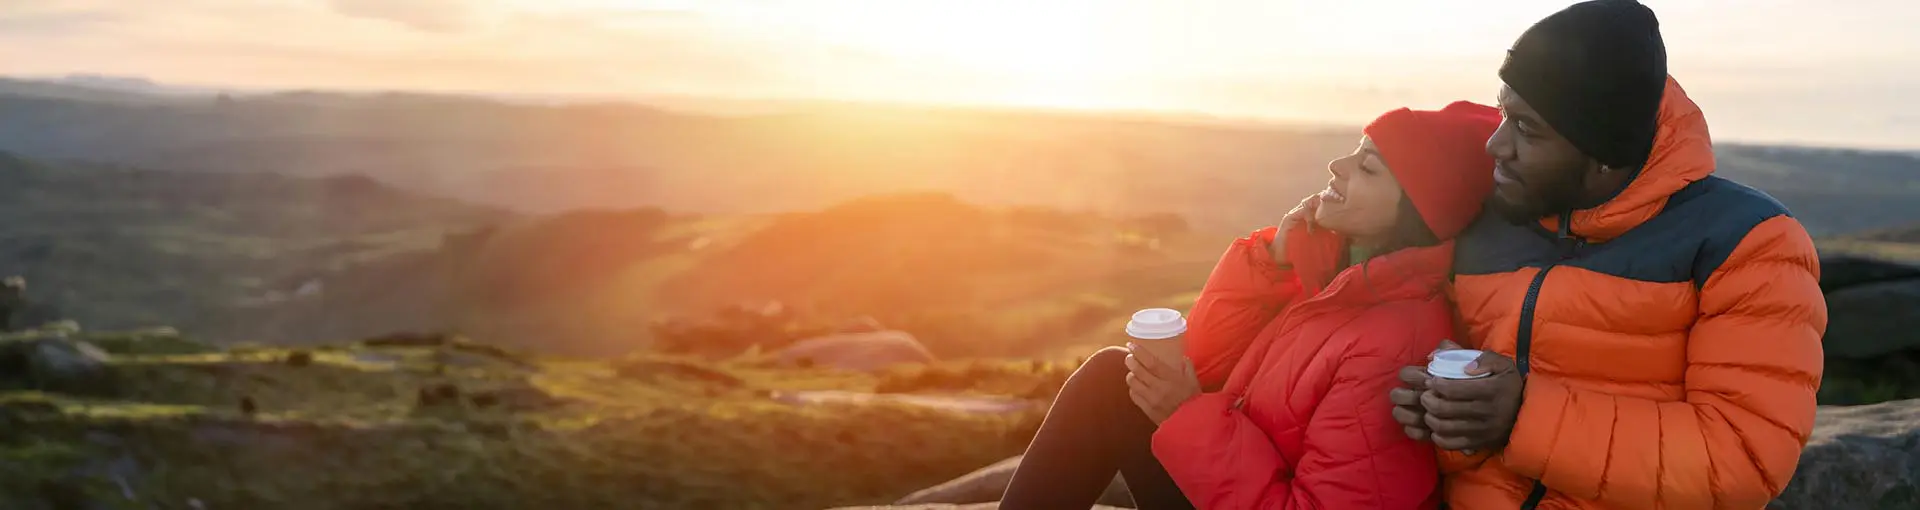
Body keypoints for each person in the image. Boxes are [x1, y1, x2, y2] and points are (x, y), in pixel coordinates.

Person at [1386, 2, 1828, 509]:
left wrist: (1523, 416)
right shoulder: (1486, 221)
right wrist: (1446, 419)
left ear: (1603, 158)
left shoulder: (1747, 241)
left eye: (1528, 130)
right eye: (1504, 112)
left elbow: (1741, 461)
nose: (1495, 145)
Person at [1000, 101, 1502, 510]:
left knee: (1112, 385)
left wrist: (1184, 412)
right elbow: (1205, 357)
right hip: (1235, 483)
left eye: (1368, 167)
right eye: (1355, 151)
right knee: (1116, 381)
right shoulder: (1336, 286)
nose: (1337, 166)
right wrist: (1273, 261)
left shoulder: (1394, 342)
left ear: (1416, 215)